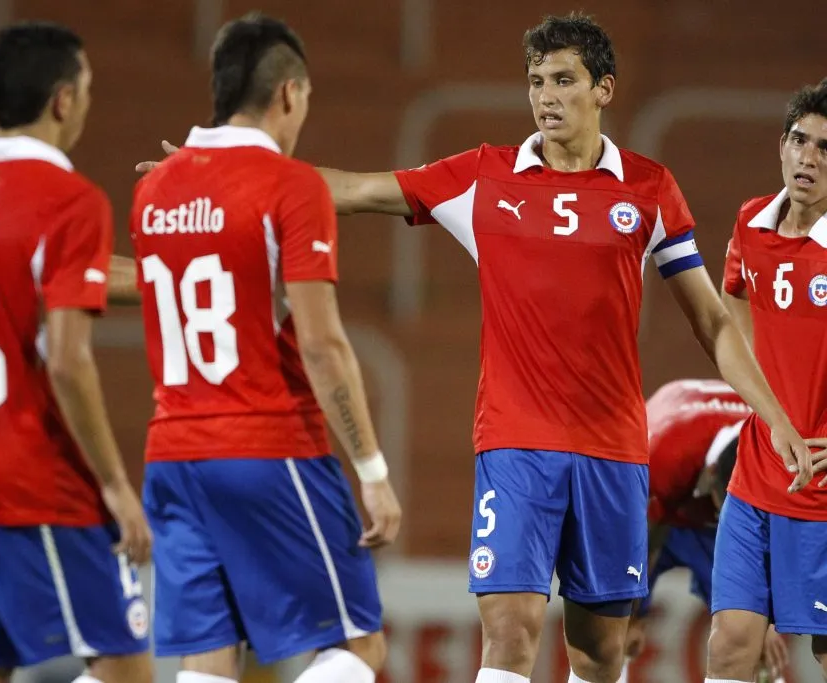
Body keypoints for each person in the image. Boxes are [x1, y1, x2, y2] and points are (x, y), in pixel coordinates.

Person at [134, 13, 815, 683]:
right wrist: (230, 175)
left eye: (563, 80)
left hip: (612, 447)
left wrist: (775, 417)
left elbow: (714, 322)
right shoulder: (484, 176)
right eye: (535, 81)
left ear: (603, 89)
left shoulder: (649, 188)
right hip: (515, 441)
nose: (545, 97)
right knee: (512, 625)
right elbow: (360, 189)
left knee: (600, 650)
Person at [130, 13, 400, 683]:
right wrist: (371, 469)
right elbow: (322, 342)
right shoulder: (291, 185)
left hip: (173, 456)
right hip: (266, 447)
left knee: (210, 659)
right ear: (288, 93)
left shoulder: (153, 188)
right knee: (357, 646)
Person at [0, 22, 152, 683]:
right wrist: (112, 483)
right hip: (33, 477)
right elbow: (71, 359)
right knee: (125, 661)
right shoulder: (69, 201)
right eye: (87, 88)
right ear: (62, 100)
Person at [710, 78, 827, 683]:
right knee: (732, 640)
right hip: (756, 473)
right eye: (799, 140)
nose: (808, 159)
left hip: (824, 487)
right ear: (781, 145)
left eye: (825, 149)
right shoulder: (751, 222)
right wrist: (767, 406)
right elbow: (730, 311)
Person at [621, 380, 788, 683]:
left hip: (709, 523)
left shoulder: (784, 454)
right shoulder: (663, 453)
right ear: (711, 474)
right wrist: (631, 615)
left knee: (750, 638)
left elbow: (782, 541)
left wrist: (769, 619)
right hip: (659, 512)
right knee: (612, 623)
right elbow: (637, 541)